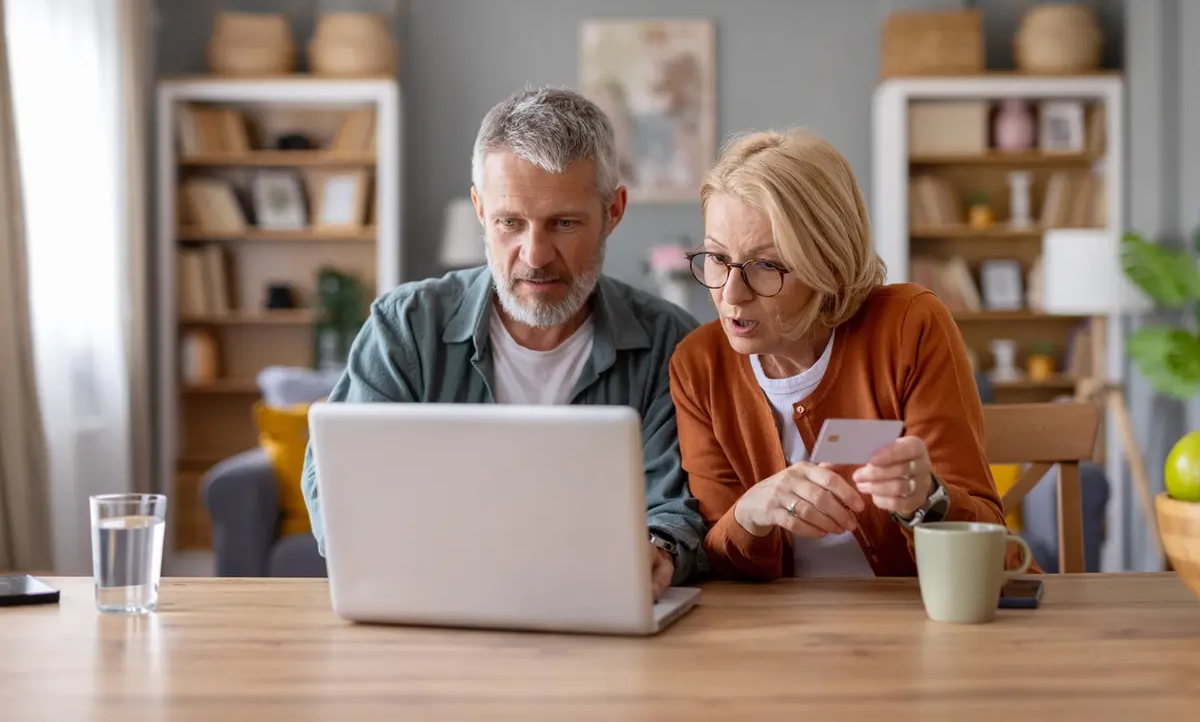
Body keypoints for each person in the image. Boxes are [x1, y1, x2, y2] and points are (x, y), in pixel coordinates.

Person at [301, 86, 707, 598]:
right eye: (510, 223)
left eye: (563, 223)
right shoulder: (405, 327)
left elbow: (677, 508)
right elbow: (339, 486)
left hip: (596, 614)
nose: (534, 255)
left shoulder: (671, 345)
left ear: (614, 211)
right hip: (434, 607)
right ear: (478, 208)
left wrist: (660, 552)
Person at [668, 128, 1021, 581]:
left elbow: (991, 547)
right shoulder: (699, 365)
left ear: (828, 264)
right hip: (770, 641)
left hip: (911, 627)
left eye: (766, 266)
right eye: (717, 258)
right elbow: (717, 566)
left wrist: (925, 498)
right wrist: (750, 513)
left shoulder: (908, 328)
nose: (731, 294)